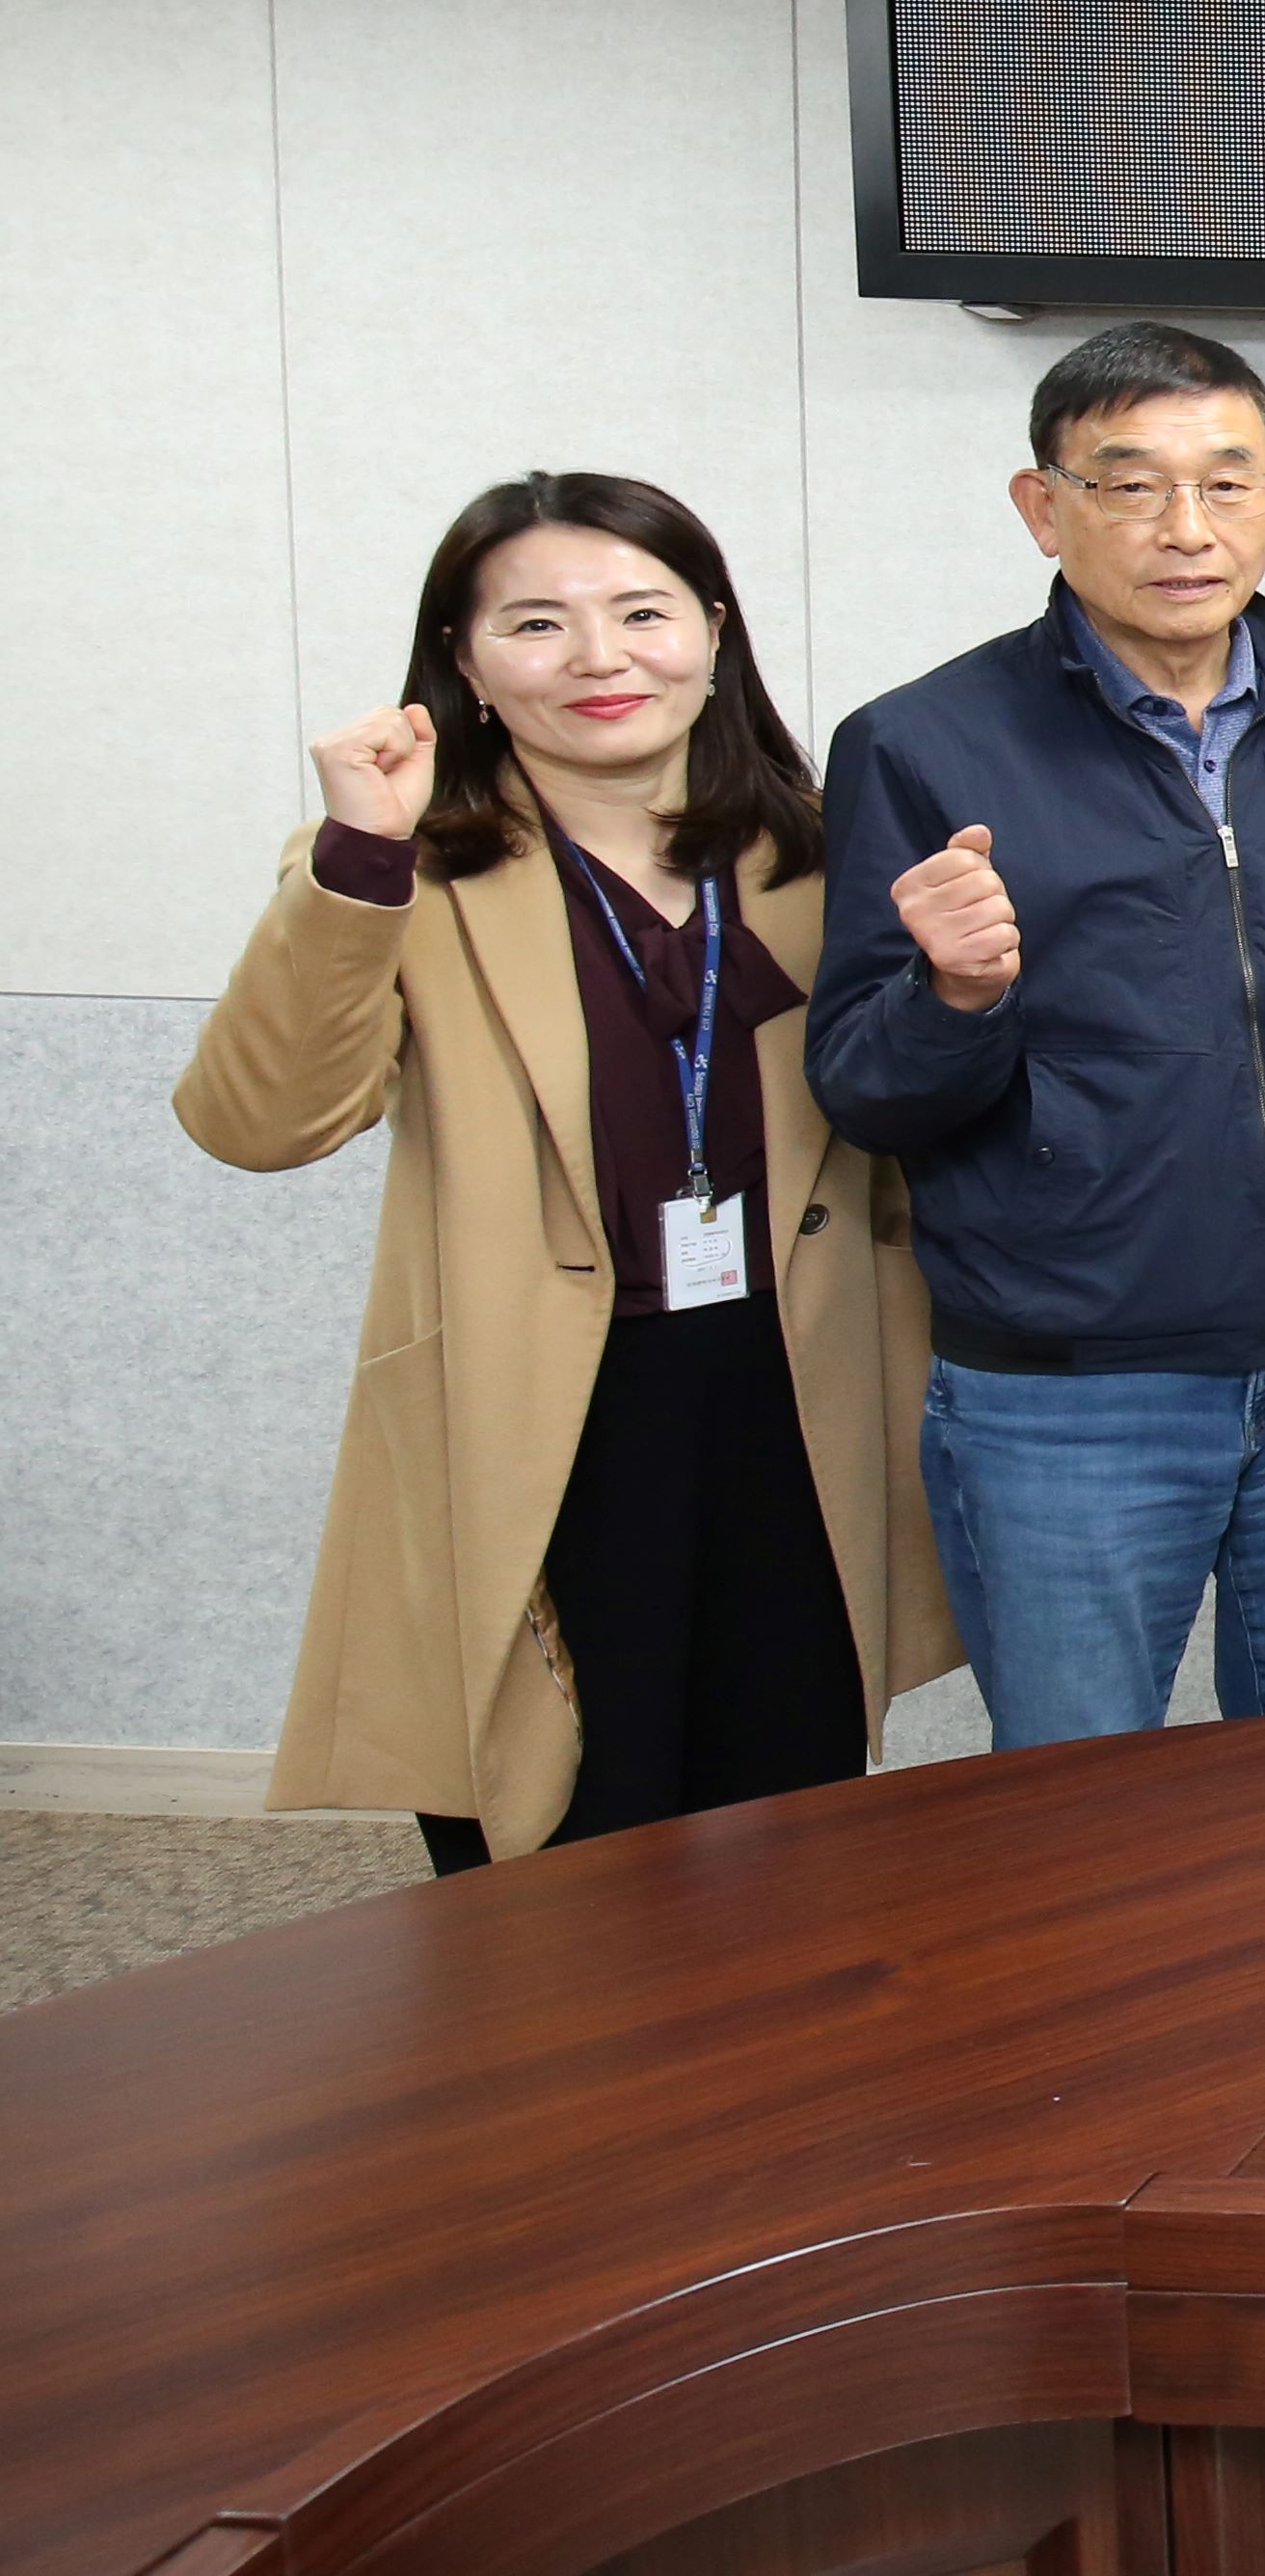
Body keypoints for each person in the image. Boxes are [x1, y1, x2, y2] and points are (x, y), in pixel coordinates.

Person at [176, 475, 952, 1866]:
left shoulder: (826, 851)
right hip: (548, 1401)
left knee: (788, 1818)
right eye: (536, 623)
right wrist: (359, 856)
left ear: (714, 633)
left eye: (644, 612)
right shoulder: (400, 867)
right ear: (464, 664)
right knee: (556, 1825)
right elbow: (261, 1123)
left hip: (794, 1386)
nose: (601, 658)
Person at [806, 322, 1265, 1747]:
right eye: (1132, 484)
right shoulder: (921, 744)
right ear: (1044, 507)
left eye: (1226, 483)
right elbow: (860, 1089)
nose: (1186, 528)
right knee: (1079, 1807)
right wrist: (955, 996)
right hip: (1071, 1386)